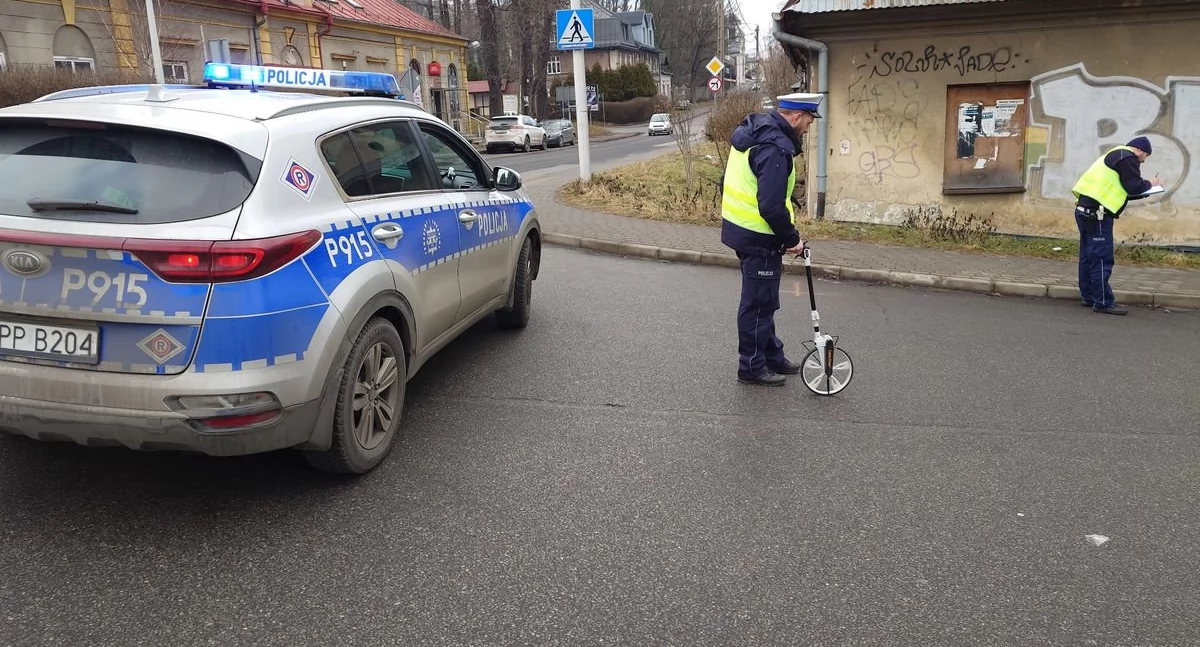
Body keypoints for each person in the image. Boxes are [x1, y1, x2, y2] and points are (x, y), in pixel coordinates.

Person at [720, 92, 822, 386]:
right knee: (758, 304)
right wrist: (792, 239)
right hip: (758, 235)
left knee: (764, 301)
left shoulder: (756, 129)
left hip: (743, 229)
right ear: (795, 116)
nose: (807, 128)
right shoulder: (775, 147)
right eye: (808, 122)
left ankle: (771, 355)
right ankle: (751, 366)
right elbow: (771, 205)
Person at [1071, 136, 1161, 315]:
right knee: (1101, 258)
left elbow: (1122, 190)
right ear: (1141, 151)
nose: (1143, 161)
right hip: (1098, 214)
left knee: (1088, 256)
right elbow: (1134, 186)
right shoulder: (1128, 157)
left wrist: (1143, 191)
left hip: (1085, 211)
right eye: (1146, 156)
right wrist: (1151, 184)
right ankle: (1103, 302)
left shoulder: (1115, 154)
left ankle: (1089, 296)